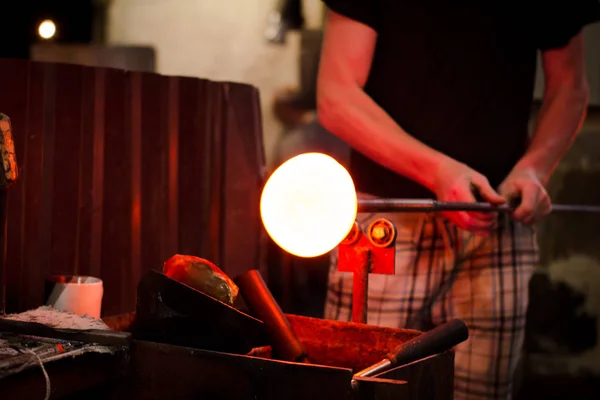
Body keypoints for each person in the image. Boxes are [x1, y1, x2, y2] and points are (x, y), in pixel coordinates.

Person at [316, 1, 600, 399]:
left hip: (496, 220)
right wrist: (436, 171)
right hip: (386, 225)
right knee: (362, 389)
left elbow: (569, 85)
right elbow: (336, 95)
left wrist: (533, 169)